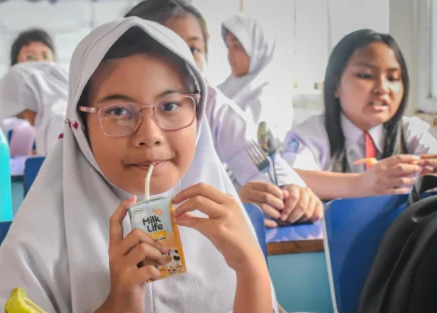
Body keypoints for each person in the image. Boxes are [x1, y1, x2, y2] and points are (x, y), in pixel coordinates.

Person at [0, 17, 276, 313]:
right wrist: (117, 309)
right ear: (78, 126)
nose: (149, 135)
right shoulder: (35, 245)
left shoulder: (227, 219)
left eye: (170, 106)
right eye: (118, 112)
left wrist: (251, 270)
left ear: (197, 112)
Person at [125, 0, 322, 227]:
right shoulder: (112, 117)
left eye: (194, 49)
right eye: (166, 46)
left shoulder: (211, 105)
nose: (184, 60)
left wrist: (291, 193)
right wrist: (229, 204)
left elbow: (259, 162)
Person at [284, 29, 437, 199]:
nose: (382, 88)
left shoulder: (410, 131)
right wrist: (360, 184)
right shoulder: (311, 134)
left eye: (393, 78)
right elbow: (289, 177)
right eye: (365, 75)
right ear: (335, 84)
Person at [218, 15, 294, 141]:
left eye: (237, 46)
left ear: (257, 49)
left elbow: (250, 144)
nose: (230, 55)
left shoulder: (271, 95)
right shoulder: (228, 86)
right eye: (228, 46)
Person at [0, 61, 69, 156]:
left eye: (22, 115)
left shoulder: (58, 119)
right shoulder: (53, 117)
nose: (29, 123)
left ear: (30, 98)